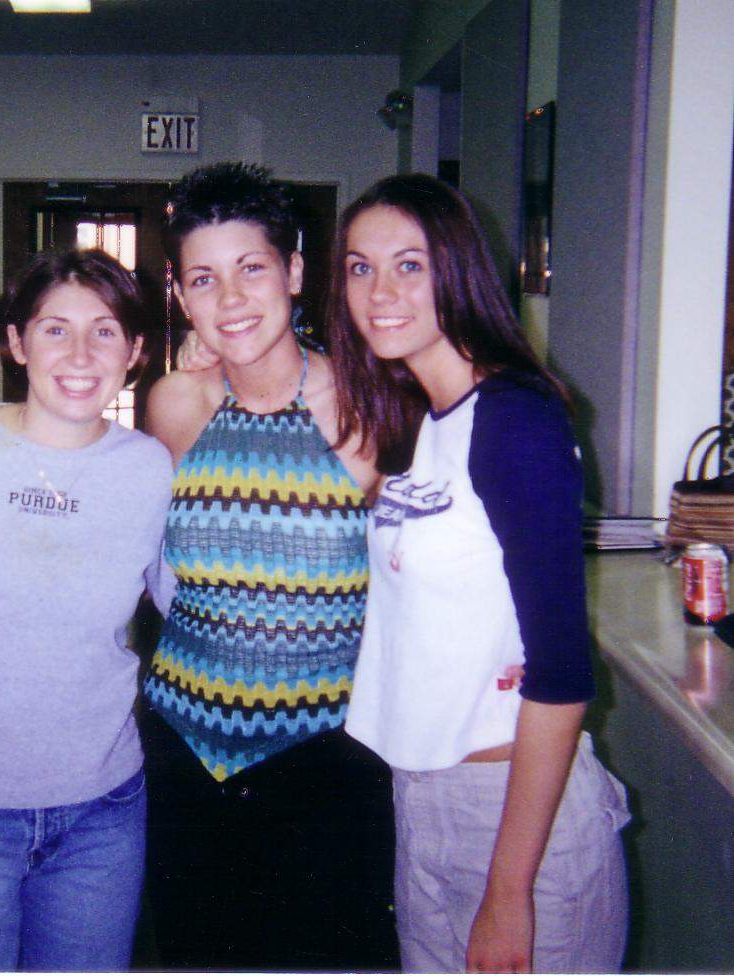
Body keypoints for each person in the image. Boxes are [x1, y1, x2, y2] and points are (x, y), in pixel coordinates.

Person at [332, 173, 630, 973]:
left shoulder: (516, 420)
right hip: (422, 798)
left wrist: (509, 892)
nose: (379, 291)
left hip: (515, 821)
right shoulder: (424, 420)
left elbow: (563, 673)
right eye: (360, 267)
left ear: (457, 271)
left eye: (409, 265)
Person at [140, 161, 400, 970]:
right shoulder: (175, 405)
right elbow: (148, 570)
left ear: (292, 271)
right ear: (180, 295)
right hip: (183, 751)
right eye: (204, 279)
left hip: (324, 763)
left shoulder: (371, 407)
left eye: (252, 268)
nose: (232, 300)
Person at [0, 249, 174, 971]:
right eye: (54, 329)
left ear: (135, 350)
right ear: (15, 341)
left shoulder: (150, 468)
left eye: (105, 332)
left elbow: (191, 603)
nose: (80, 353)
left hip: (103, 812)